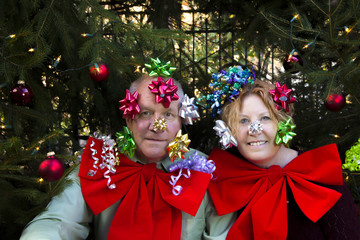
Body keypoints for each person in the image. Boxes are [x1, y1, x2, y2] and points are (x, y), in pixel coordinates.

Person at [20, 74, 235, 240]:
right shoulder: (101, 163)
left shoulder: (204, 170)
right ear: (129, 119)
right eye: (145, 113)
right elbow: (58, 221)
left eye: (168, 115)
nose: (156, 127)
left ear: (181, 122)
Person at [206, 76, 360, 240]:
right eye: (243, 120)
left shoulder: (320, 176)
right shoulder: (223, 177)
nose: (254, 129)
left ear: (283, 122)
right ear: (230, 130)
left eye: (265, 118)